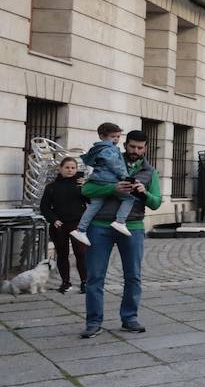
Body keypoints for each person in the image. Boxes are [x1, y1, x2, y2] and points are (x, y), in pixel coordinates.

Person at [80, 130, 161, 338]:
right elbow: (86, 190)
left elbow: (156, 203)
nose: (135, 151)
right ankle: (93, 322)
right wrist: (112, 189)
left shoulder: (150, 171)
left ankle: (129, 318)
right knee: (95, 276)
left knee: (133, 276)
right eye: (132, 146)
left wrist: (144, 192)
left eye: (140, 147)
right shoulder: (109, 159)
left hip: (132, 227)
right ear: (125, 145)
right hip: (100, 226)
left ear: (145, 148)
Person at [69, 123, 135, 246]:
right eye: (113, 136)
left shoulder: (98, 148)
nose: (116, 139)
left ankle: (81, 229)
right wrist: (127, 178)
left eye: (118, 136)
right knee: (129, 197)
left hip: (98, 179)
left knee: (95, 204)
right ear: (102, 136)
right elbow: (116, 166)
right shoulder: (110, 149)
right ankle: (120, 221)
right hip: (108, 180)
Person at [40, 156, 87, 293]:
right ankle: (65, 282)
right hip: (59, 225)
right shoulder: (51, 187)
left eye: (73, 168)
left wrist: (86, 187)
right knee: (62, 253)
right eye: (67, 167)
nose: (70, 170)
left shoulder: (81, 185)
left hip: (77, 224)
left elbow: (90, 200)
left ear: (76, 169)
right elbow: (45, 206)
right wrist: (53, 219)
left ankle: (85, 281)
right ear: (60, 169)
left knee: (81, 253)